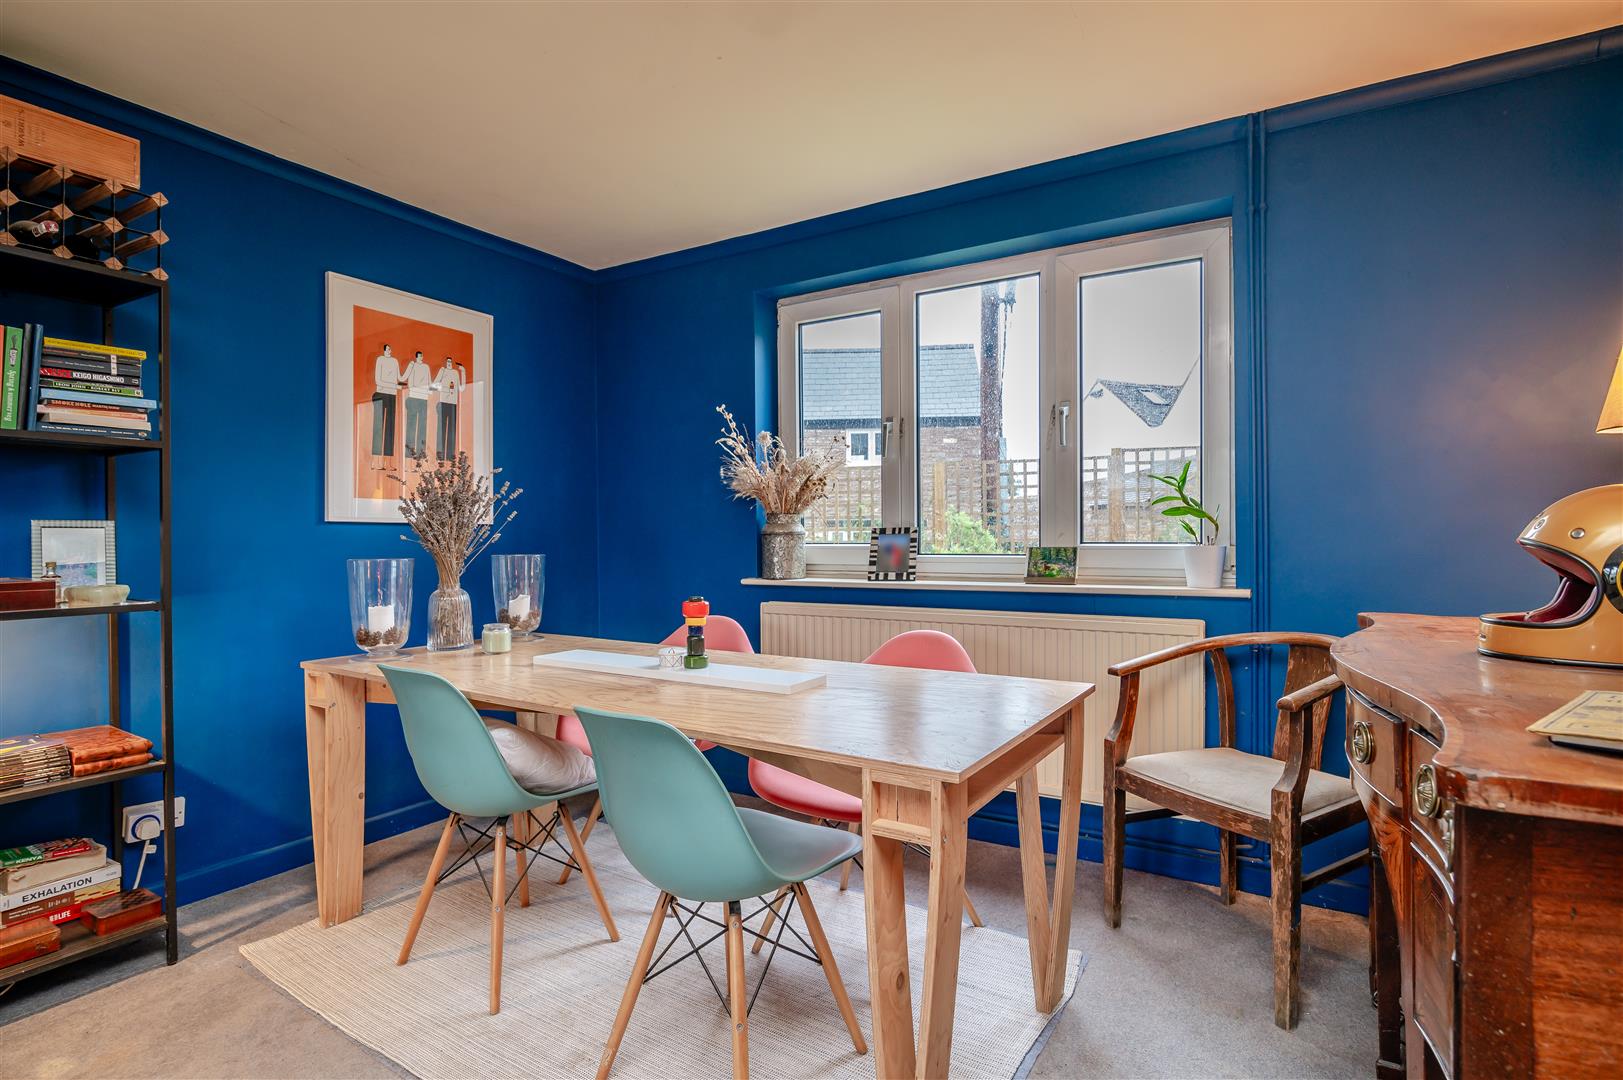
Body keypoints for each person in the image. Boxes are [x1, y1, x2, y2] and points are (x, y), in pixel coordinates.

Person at [370, 344, 403, 463]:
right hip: (380, 393)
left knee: (390, 427)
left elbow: (400, 377)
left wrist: (410, 367)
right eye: (388, 349)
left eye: (390, 349)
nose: (390, 350)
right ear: (384, 350)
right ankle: (375, 461)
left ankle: (388, 462)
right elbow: (378, 380)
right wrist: (395, 386)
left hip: (392, 395)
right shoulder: (380, 360)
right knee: (378, 427)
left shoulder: (395, 361)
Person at [402, 350, 431, 458]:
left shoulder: (426, 367)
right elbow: (405, 379)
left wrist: (428, 391)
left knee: (422, 426)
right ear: (416, 357)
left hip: (423, 398)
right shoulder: (412, 366)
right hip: (413, 396)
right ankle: (409, 453)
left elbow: (429, 381)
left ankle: (421, 452)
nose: (420, 357)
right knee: (411, 426)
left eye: (421, 356)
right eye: (419, 356)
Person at [432, 355, 461, 459]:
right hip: (443, 402)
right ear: (445, 363)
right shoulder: (442, 371)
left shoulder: (455, 373)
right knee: (441, 430)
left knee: (452, 431)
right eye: (447, 361)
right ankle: (440, 456)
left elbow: (460, 388)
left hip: (453, 403)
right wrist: (444, 388)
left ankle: (450, 456)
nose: (449, 363)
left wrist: (463, 372)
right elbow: (434, 385)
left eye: (450, 362)